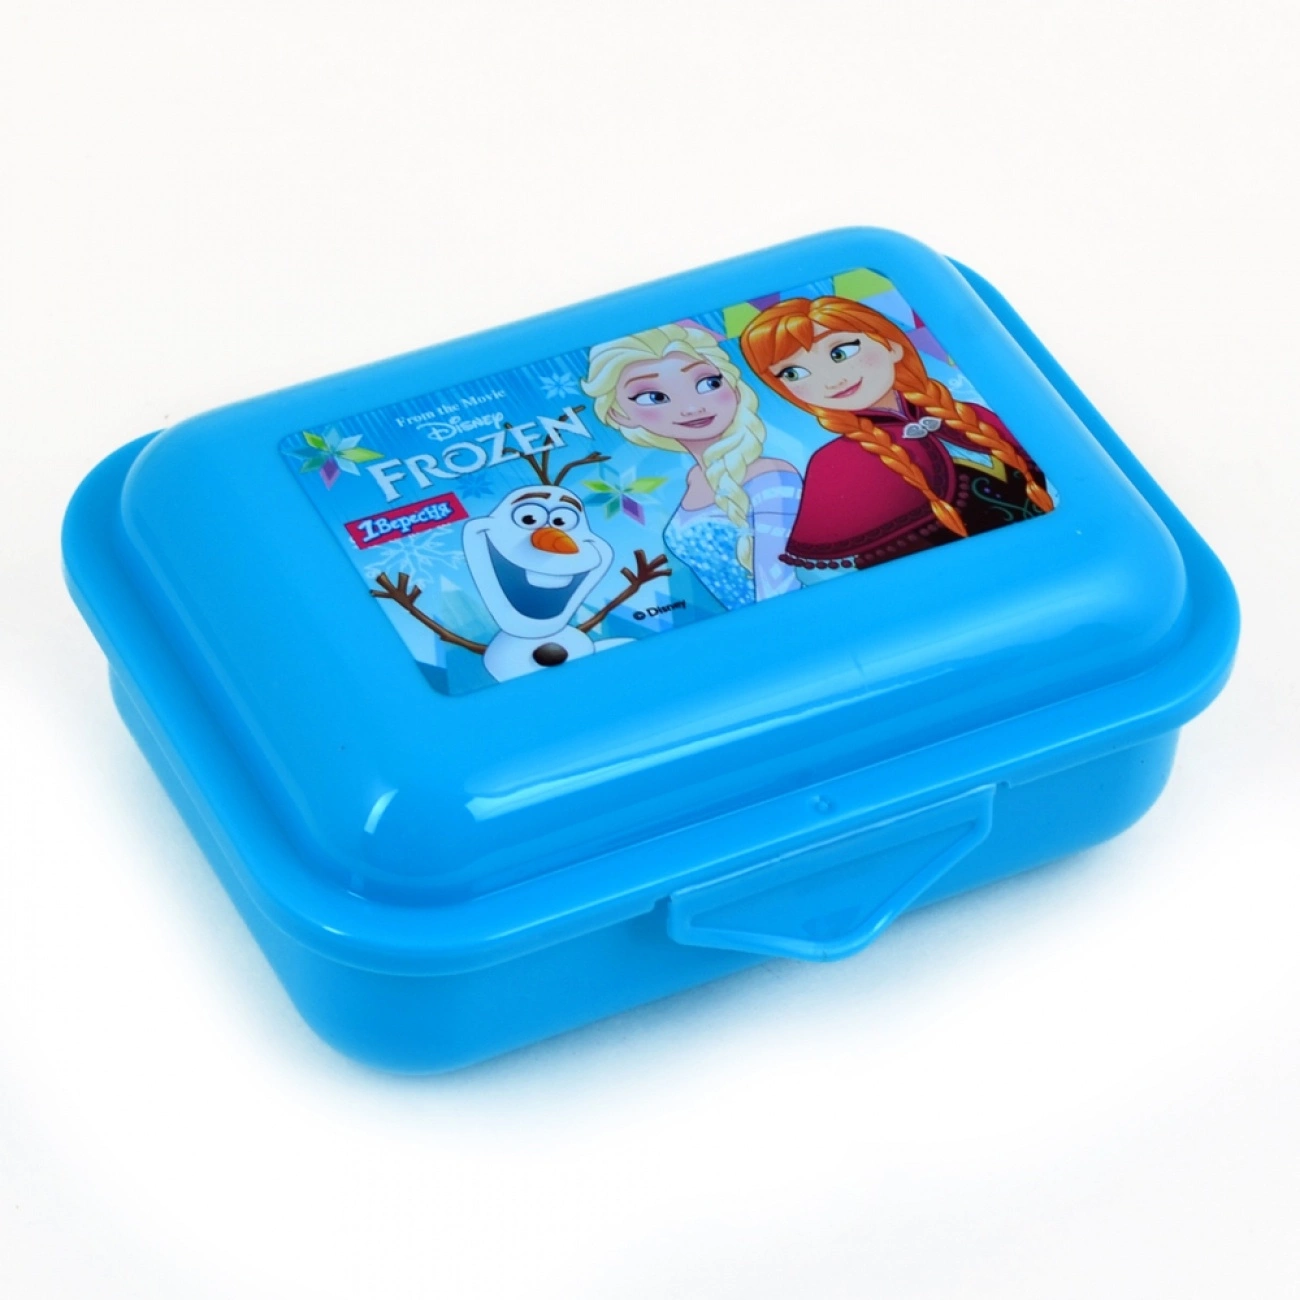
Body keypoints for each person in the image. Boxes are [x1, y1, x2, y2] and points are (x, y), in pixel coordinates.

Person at [739, 296, 1052, 574]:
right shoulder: (834, 465)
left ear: (892, 345)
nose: (832, 380)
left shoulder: (970, 415)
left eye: (841, 352)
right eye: (793, 373)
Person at [583, 324, 802, 610]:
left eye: (708, 383)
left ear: (733, 386)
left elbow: (780, 584)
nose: (691, 408)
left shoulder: (771, 478)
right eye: (654, 397)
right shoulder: (694, 479)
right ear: (619, 414)